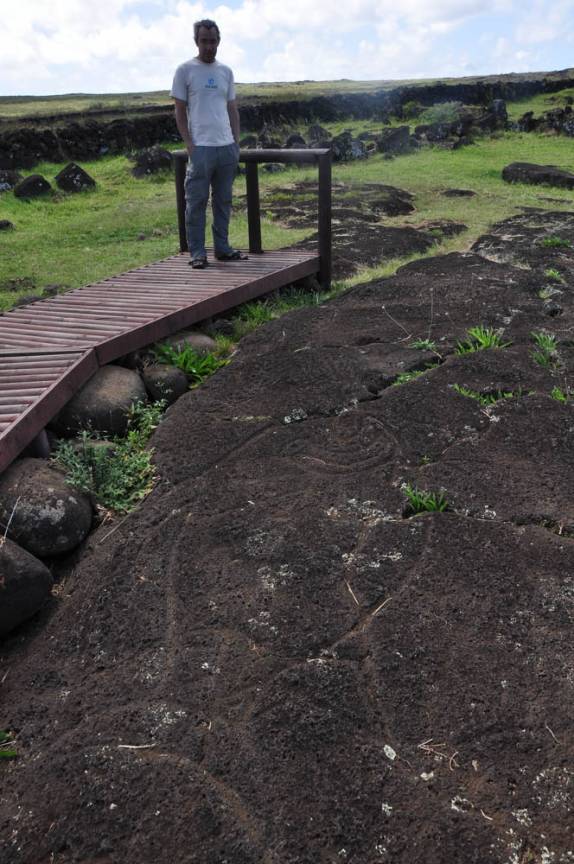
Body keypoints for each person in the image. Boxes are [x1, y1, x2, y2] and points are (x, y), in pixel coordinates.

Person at [171, 19, 245, 269]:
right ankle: (198, 253)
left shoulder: (226, 72)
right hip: (200, 148)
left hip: (226, 148)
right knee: (196, 202)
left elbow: (232, 109)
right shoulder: (185, 70)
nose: (209, 46)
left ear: (218, 41)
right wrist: (190, 145)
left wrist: (236, 142)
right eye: (204, 41)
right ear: (196, 41)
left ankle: (222, 249)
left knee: (223, 201)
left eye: (213, 41)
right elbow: (179, 111)